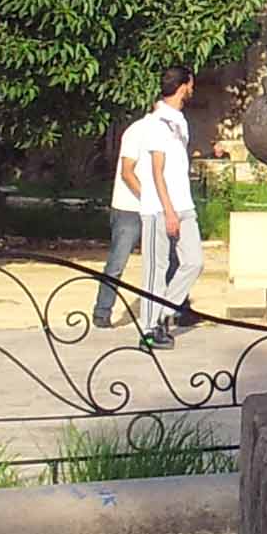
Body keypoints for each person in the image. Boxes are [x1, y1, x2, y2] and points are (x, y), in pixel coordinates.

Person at [99, 70, 199, 347]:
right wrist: (166, 208)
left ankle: (162, 313)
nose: (193, 89)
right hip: (159, 207)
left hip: (184, 204)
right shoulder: (154, 124)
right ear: (183, 87)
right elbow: (157, 171)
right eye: (190, 84)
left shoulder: (179, 122)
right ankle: (149, 329)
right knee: (156, 268)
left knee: (193, 261)